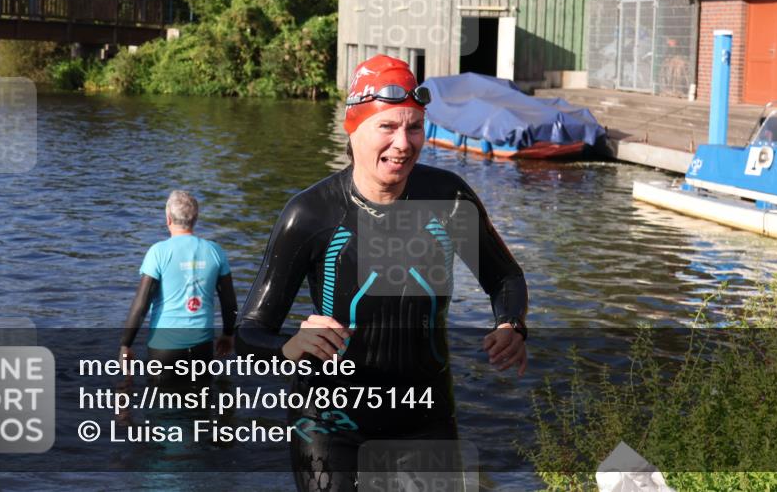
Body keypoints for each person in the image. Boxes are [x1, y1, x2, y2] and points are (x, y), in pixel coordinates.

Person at [237, 55, 529, 491]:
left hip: (425, 416)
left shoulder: (449, 198)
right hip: (329, 423)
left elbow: (504, 277)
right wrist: (289, 347)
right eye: (387, 127)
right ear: (352, 128)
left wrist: (511, 324)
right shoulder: (310, 214)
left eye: (414, 127)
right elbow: (248, 334)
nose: (403, 144)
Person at [120, 190, 238, 388]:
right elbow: (229, 302)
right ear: (196, 218)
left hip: (164, 349)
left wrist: (126, 344)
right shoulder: (215, 251)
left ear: (168, 219)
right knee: (201, 402)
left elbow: (141, 304)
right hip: (202, 346)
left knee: (162, 404)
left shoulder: (158, 252)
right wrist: (227, 334)